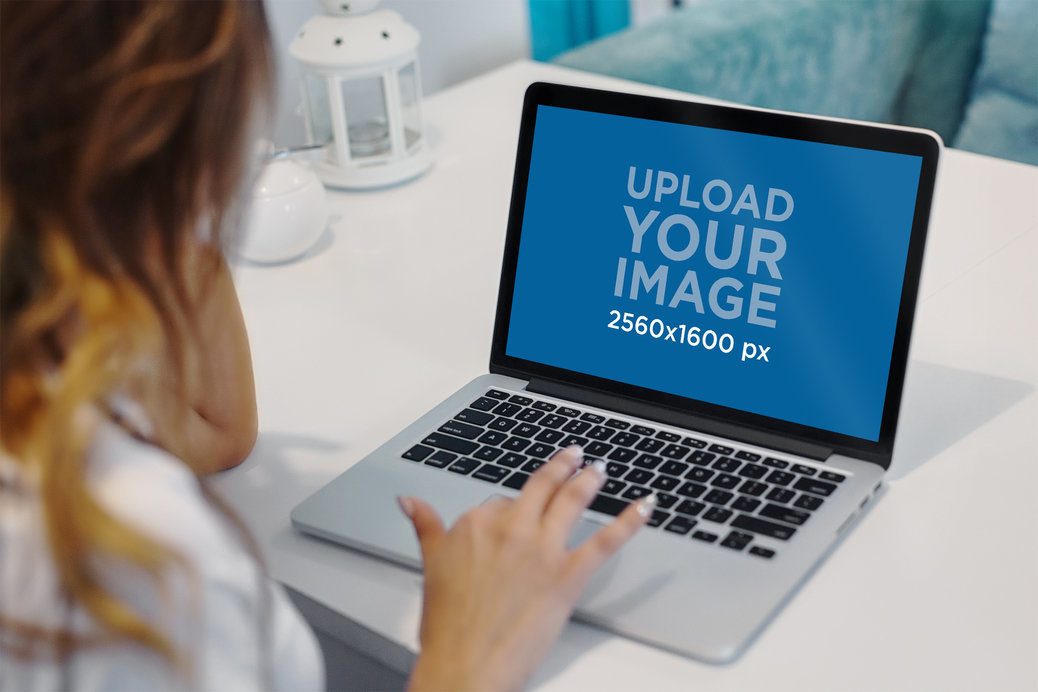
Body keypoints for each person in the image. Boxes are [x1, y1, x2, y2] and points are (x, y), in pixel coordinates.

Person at [0, 1, 654, 689]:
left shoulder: (46, 387)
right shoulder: (132, 558)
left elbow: (218, 435)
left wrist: (175, 210)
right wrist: (462, 662)